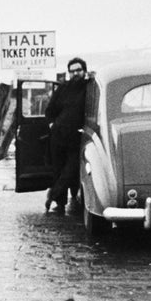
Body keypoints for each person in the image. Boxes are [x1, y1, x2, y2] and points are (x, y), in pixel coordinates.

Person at [44, 57, 88, 213]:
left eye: (78, 70)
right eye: (72, 71)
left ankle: (53, 194)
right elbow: (50, 111)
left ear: (84, 71)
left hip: (78, 137)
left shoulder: (89, 88)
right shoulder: (63, 88)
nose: (75, 73)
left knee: (71, 169)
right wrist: (52, 125)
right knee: (58, 169)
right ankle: (60, 204)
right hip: (59, 136)